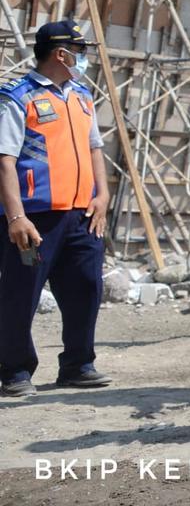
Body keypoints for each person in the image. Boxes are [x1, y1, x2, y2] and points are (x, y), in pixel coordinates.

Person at [0, 20, 112, 397]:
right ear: (61, 54)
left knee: (86, 288)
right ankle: (14, 370)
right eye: (80, 53)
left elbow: (95, 147)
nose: (84, 60)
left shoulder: (81, 95)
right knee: (21, 293)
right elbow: (4, 160)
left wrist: (103, 195)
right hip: (36, 220)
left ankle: (78, 365)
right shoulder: (18, 96)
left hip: (82, 215)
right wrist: (16, 216)